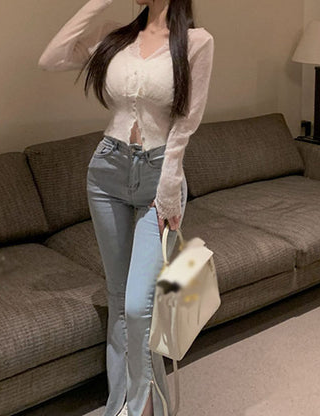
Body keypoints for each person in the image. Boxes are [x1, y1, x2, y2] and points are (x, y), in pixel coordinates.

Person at [38, 0, 214, 415]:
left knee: (139, 305)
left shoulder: (196, 42)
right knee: (118, 299)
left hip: (159, 175)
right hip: (107, 171)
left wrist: (169, 185)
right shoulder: (114, 36)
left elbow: (187, 122)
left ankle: (142, 407)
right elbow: (50, 58)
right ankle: (124, 405)